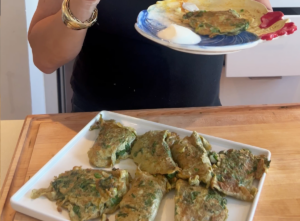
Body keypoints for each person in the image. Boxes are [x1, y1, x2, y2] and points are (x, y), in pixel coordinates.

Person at [29, 0, 272, 112]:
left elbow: (255, 14)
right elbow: (45, 58)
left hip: (197, 121)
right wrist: (81, 4)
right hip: (100, 127)